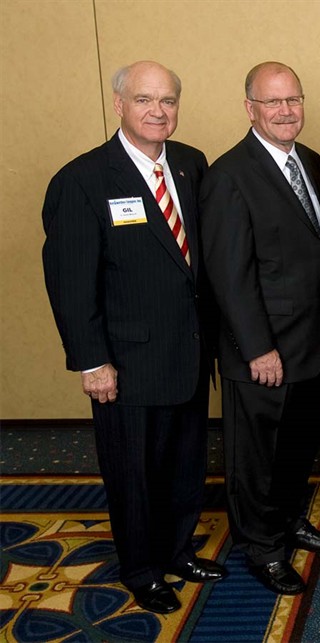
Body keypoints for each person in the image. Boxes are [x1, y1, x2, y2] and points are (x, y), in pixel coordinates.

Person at [41, 61, 224, 614]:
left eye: (167, 100)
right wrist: (91, 362)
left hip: (188, 351)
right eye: (144, 100)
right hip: (125, 364)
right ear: (119, 104)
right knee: (134, 474)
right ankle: (141, 569)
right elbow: (70, 284)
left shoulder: (191, 164)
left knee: (185, 464)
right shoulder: (82, 180)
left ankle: (177, 551)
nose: (157, 111)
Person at [200, 62, 320, 596]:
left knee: (298, 445)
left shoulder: (309, 160)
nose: (286, 111)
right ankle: (262, 546)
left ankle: (287, 521)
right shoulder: (229, 175)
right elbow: (229, 275)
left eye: (293, 100)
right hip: (262, 351)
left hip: (310, 340)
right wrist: (258, 348)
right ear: (250, 109)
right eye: (273, 102)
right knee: (254, 457)